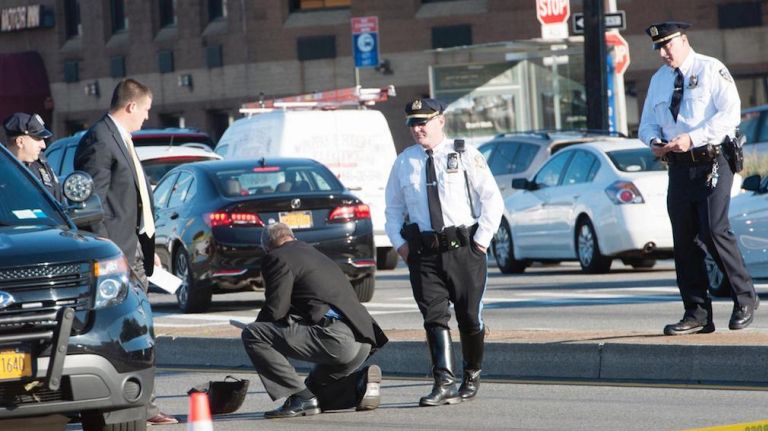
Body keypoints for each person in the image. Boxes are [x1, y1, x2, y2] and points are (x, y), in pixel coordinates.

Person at [638, 21, 759, 335]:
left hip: (712, 160)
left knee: (713, 230)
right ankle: (697, 313)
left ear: (683, 39)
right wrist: (654, 142)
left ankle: (745, 297)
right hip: (678, 166)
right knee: (685, 239)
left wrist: (693, 138)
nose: (664, 53)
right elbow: (647, 124)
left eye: (668, 45)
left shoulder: (710, 69)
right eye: (658, 48)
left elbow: (730, 113)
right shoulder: (659, 80)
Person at [384, 98, 503, 406]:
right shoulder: (404, 162)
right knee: (433, 318)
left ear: (441, 121)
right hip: (424, 253)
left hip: (463, 249)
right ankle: (444, 381)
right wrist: (400, 243)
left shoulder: (463, 154)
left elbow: (492, 199)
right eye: (412, 123)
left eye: (423, 121)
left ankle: (472, 374)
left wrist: (481, 242)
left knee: (468, 317)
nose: (417, 128)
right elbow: (393, 210)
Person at [74, 78, 178, 426]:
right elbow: (92, 204)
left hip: (134, 250)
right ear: (131, 106)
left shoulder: (121, 138)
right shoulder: (100, 140)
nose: (146, 118)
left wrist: (149, 248)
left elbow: (133, 201)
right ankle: (137, 406)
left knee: (141, 329)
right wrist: (110, 254)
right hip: (115, 255)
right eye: (145, 111)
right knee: (130, 331)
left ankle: (144, 403)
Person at [241, 222, 388, 419]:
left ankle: (300, 398)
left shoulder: (277, 257)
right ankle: (360, 383)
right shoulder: (316, 254)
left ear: (267, 247)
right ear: (291, 236)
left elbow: (276, 309)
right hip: (362, 341)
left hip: (336, 339)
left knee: (253, 334)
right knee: (313, 391)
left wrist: (260, 327)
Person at [3, 112, 62, 202]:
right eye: (38, 139)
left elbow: (59, 203)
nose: (43, 145)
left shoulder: (41, 165)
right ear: (20, 142)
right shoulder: (3, 171)